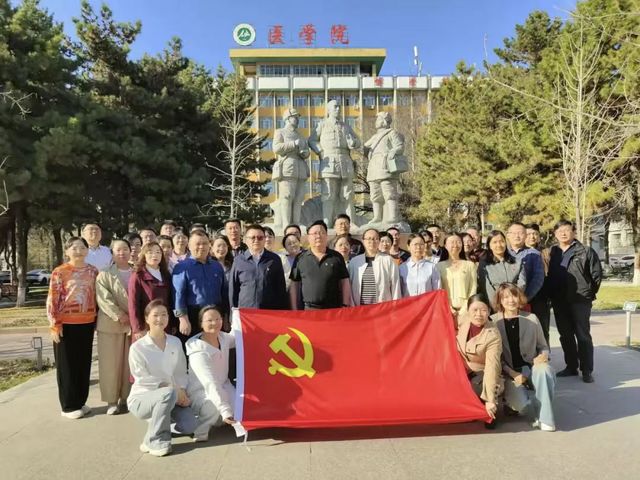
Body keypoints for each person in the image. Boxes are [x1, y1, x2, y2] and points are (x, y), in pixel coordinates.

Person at [127, 300, 198, 457]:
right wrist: (172, 388)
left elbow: (181, 372)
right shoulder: (138, 348)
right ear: (147, 318)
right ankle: (157, 440)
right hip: (143, 399)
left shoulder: (175, 342)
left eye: (164, 315)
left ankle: (158, 425)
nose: (160, 319)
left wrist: (182, 391)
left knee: (190, 425)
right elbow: (142, 378)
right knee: (167, 393)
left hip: (173, 395)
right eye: (155, 315)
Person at [492, 283, 556, 431]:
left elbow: (543, 346)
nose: (511, 300)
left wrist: (543, 356)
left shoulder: (532, 318)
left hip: (531, 367)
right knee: (521, 407)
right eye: (506, 297)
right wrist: (512, 373)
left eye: (514, 296)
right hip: (509, 373)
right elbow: (495, 356)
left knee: (544, 371)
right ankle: (511, 403)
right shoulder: (494, 322)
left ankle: (545, 419)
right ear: (500, 300)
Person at [47, 237, 99, 419]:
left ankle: (80, 401)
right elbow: (53, 299)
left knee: (83, 363)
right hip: (66, 325)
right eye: (74, 248)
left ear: (87, 250)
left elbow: (97, 296)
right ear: (67, 251)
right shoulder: (60, 272)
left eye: (82, 247)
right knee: (67, 365)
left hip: (87, 323)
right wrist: (55, 324)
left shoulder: (93, 271)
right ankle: (68, 406)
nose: (79, 251)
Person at [548, 220, 602, 383]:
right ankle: (571, 366)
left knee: (583, 335)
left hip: (580, 300)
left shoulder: (585, 251)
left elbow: (596, 275)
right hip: (559, 300)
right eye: (560, 231)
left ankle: (587, 370)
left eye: (567, 230)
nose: (563, 233)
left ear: (573, 232)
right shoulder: (553, 252)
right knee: (565, 335)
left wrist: (588, 293)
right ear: (555, 234)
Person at [186, 305, 236, 442]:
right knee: (214, 409)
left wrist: (238, 316)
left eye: (218, 319)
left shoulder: (223, 338)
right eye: (209, 320)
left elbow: (237, 337)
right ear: (201, 323)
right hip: (202, 392)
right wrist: (224, 409)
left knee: (241, 409)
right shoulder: (197, 351)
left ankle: (220, 419)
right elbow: (210, 383)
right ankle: (200, 429)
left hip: (224, 386)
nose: (214, 323)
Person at [308, 99, 361, 225]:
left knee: (348, 194)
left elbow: (358, 141)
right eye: (335, 107)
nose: (338, 109)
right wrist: (320, 152)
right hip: (329, 162)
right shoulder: (322, 124)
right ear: (328, 110)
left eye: (339, 107)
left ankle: (351, 222)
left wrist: (353, 143)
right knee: (328, 195)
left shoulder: (346, 126)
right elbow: (312, 140)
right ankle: (327, 223)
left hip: (345, 160)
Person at [96, 239, 132, 415]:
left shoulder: (138, 271)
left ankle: (127, 398)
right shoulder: (104, 274)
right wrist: (120, 315)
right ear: (112, 253)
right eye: (118, 250)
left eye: (125, 249)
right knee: (110, 365)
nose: (122, 253)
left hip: (133, 325)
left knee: (129, 365)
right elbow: (104, 299)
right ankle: (111, 401)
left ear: (130, 251)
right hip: (111, 325)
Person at [456, 295, 503, 428]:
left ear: (489, 311)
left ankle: (485, 403)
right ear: (468, 311)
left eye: (483, 310)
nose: (478, 314)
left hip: (481, 374)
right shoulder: (463, 320)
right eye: (474, 310)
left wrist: (490, 400)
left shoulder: (493, 335)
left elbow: (492, 367)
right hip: (460, 370)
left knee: (488, 415)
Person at [173, 230, 226, 343]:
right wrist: (183, 319)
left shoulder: (217, 266)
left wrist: (225, 317)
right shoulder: (182, 267)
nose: (202, 247)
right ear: (189, 246)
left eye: (205, 243)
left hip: (215, 314)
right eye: (197, 244)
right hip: (193, 315)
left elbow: (224, 292)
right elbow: (178, 294)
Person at [290, 220, 351, 310]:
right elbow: (294, 285)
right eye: (315, 233)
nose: (318, 236)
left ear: (326, 236)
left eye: (322, 233)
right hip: (309, 310)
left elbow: (344, 282)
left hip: (333, 309)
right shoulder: (300, 258)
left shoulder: (336, 257)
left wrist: (345, 304)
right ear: (308, 237)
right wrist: (294, 308)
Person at [229, 224, 288, 310]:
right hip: (246, 312)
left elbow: (280, 289)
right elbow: (233, 289)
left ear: (264, 239)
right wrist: (233, 312)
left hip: (269, 311)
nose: (256, 240)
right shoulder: (238, 260)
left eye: (260, 238)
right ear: (245, 240)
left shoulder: (274, 260)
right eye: (252, 238)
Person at [363, 111, 406, 226]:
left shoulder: (392, 133)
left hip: (385, 165)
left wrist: (392, 152)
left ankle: (393, 216)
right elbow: (365, 148)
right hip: (373, 167)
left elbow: (400, 146)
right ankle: (377, 217)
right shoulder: (374, 137)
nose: (376, 122)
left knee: (389, 192)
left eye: (378, 119)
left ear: (384, 121)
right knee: (375, 194)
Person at [272, 107, 310, 229]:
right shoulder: (280, 132)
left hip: (300, 168)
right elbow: (276, 148)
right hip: (287, 167)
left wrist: (305, 153)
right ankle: (286, 225)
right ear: (288, 118)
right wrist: (293, 144)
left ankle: (296, 224)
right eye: (295, 117)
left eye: (298, 117)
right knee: (287, 197)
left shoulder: (301, 135)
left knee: (299, 198)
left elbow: (307, 152)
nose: (297, 119)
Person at [128, 241, 174, 340]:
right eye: (150, 252)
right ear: (144, 255)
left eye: (158, 252)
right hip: (145, 326)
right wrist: (137, 328)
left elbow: (171, 300)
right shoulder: (138, 276)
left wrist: (173, 323)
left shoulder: (166, 275)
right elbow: (133, 303)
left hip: (164, 324)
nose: (154, 255)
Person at [507, 222, 546, 337]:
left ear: (525, 235)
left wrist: (523, 298)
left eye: (520, 233)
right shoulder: (503, 253)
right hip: (506, 302)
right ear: (508, 235)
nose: (517, 236)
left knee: (532, 334)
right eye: (514, 233)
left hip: (528, 301)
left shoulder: (534, 254)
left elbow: (538, 279)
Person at [348, 228, 401, 305]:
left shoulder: (388, 260)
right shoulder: (354, 262)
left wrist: (395, 307)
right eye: (369, 239)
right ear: (363, 241)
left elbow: (395, 286)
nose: (372, 241)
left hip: (382, 307)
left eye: (375, 239)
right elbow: (349, 287)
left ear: (379, 241)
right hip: (359, 308)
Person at [478, 230, 526, 307]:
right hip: (495, 305)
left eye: (502, 241)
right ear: (489, 246)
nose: (499, 245)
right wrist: (497, 305)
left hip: (514, 304)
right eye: (495, 242)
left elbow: (522, 284)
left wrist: (512, 300)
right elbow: (486, 288)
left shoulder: (517, 262)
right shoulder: (484, 264)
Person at [436, 233, 477, 321]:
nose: (455, 245)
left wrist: (463, 310)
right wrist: (449, 308)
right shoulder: (438, 266)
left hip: (466, 311)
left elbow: (473, 289)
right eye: (452, 242)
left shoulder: (470, 265)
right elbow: (439, 290)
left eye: (458, 242)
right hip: (445, 311)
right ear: (445, 245)